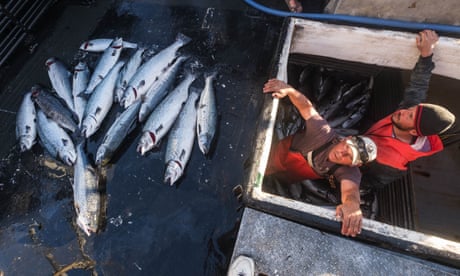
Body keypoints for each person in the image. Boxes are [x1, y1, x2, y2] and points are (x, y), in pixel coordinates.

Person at [263, 79, 378, 237]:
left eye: (349, 156)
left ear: (355, 164)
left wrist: (352, 205)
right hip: (275, 155)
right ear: (346, 138)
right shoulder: (323, 133)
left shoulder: (350, 173)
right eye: (347, 147)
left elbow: (350, 191)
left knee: (279, 180)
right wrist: (289, 90)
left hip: (291, 175)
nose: (342, 153)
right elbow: (307, 108)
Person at [361, 30, 456, 189]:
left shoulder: (393, 163)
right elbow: (418, 87)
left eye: (409, 115)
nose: (403, 111)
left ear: (413, 132)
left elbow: (372, 183)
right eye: (411, 109)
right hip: (368, 133)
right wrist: (427, 55)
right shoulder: (409, 117)